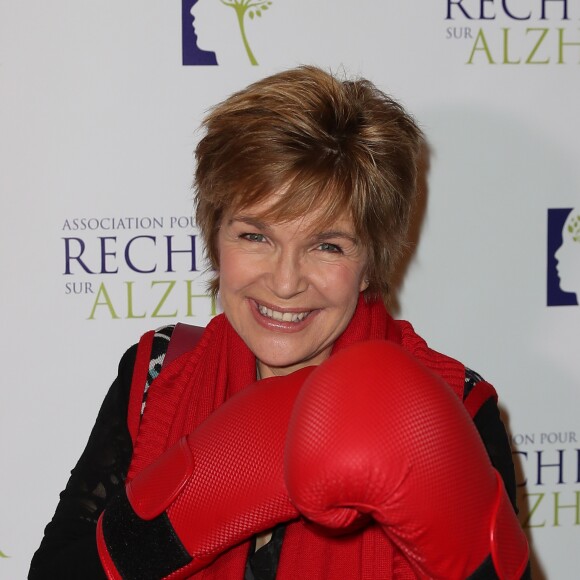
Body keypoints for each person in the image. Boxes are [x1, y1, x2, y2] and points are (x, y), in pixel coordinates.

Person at [30, 66, 530, 579]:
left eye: (327, 245)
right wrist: (181, 516)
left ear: (368, 266)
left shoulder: (454, 407)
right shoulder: (156, 376)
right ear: (215, 236)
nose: (286, 281)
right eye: (255, 236)